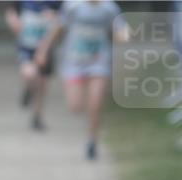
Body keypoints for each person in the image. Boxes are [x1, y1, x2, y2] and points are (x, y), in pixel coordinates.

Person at [36, 0, 126, 160]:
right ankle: (90, 119)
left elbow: (120, 30)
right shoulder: (72, 6)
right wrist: (43, 50)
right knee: (75, 107)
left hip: (99, 62)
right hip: (74, 62)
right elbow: (57, 28)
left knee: (95, 104)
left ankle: (92, 140)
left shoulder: (110, 7)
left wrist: (123, 35)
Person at [5, 1, 62, 131]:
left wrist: (54, 17)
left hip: (46, 47)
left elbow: (63, 19)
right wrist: (13, 21)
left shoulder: (54, 3)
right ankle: (28, 90)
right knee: (29, 74)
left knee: (42, 83)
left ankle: (37, 116)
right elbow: (11, 11)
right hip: (26, 46)